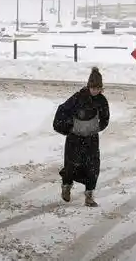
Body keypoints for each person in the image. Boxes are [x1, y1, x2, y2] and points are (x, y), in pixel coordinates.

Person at [53, 66, 110, 206]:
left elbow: (105, 118)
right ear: (89, 86)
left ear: (101, 88)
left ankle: (89, 196)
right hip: (75, 138)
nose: (95, 91)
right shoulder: (78, 97)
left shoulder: (102, 101)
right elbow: (63, 110)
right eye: (93, 88)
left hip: (91, 139)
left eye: (98, 88)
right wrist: (67, 127)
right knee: (71, 166)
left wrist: (96, 127)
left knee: (92, 167)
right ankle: (66, 187)